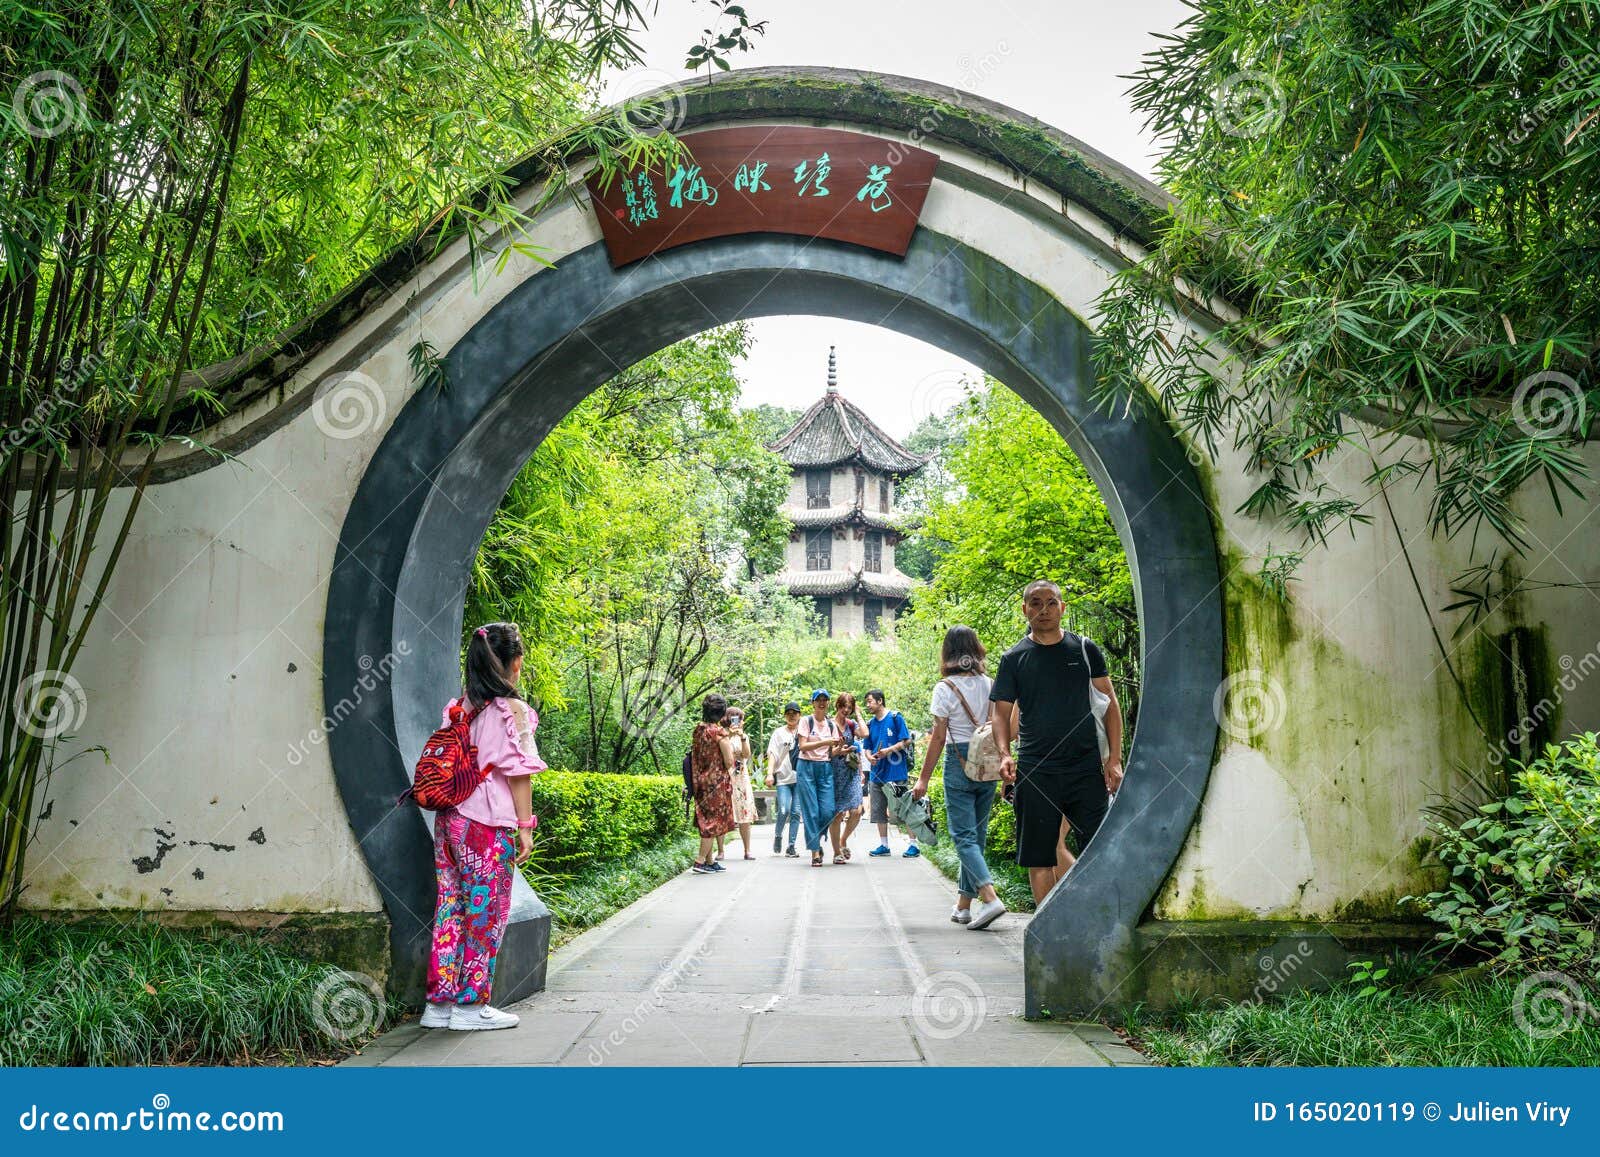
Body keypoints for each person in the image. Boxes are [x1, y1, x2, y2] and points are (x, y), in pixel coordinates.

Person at [423, 622, 546, 1031]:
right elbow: (519, 774)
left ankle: (438, 1005)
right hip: (486, 826)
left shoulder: (457, 708)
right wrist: (525, 826)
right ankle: (471, 1007)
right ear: (512, 663)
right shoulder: (513, 712)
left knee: (450, 908)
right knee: (486, 912)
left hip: (449, 821)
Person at [991, 580, 1124, 906]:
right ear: (1025, 610)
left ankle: (1095, 924)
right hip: (1036, 770)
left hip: (1085, 767)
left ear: (1063, 608)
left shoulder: (1084, 649)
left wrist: (1114, 760)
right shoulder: (1014, 659)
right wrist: (1005, 754)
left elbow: (1111, 704)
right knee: (1040, 858)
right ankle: (1047, 934)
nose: (1044, 610)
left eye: (1051, 603)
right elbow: (1000, 713)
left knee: (1099, 851)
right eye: (1035, 603)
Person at [913, 626, 1005, 929]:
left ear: (948, 652)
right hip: (988, 760)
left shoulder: (945, 688)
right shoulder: (990, 683)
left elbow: (938, 738)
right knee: (975, 837)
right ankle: (964, 906)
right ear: (976, 649)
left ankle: (989, 897)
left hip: (959, 760)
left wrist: (923, 779)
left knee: (963, 836)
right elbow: (997, 726)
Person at [864, 689, 918, 858]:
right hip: (877, 773)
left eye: (870, 701)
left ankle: (913, 845)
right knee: (879, 810)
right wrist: (869, 757)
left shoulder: (895, 718)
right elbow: (867, 746)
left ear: (880, 701)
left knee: (905, 809)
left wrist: (889, 750)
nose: (868, 705)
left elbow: (907, 740)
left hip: (896, 772)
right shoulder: (870, 724)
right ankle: (884, 845)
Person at [689, 694, 736, 874]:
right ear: (722, 712)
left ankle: (709, 861)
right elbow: (729, 761)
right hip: (716, 783)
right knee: (711, 822)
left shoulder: (699, 729)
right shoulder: (719, 733)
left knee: (705, 818)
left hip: (700, 780)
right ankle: (700, 861)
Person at [794, 689, 841, 867]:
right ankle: (815, 851)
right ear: (813, 703)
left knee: (828, 811)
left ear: (828, 703)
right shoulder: (806, 721)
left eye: (825, 700)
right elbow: (803, 746)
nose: (822, 703)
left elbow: (832, 751)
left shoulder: (831, 725)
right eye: (818, 700)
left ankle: (817, 838)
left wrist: (841, 749)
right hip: (806, 767)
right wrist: (825, 742)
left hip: (825, 768)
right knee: (811, 812)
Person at [827, 691, 866, 863]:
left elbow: (865, 734)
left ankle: (843, 840)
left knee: (857, 810)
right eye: (843, 706)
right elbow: (823, 752)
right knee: (837, 814)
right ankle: (837, 852)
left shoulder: (851, 724)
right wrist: (837, 751)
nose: (846, 710)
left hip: (851, 772)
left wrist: (858, 713)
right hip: (834, 771)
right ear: (837, 706)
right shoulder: (828, 725)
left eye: (849, 707)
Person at [765, 701, 803, 856]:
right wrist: (769, 774)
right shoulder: (778, 733)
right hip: (782, 778)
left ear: (800, 715)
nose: (792, 715)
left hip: (800, 779)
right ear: (785, 715)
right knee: (783, 809)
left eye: (795, 713)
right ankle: (778, 835)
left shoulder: (804, 732)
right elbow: (772, 754)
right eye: (789, 713)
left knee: (796, 812)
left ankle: (791, 846)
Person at [722, 706, 758, 859]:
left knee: (745, 814)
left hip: (741, 777)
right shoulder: (722, 734)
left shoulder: (743, 736)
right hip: (726, 776)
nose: (740, 722)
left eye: (740, 719)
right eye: (737, 719)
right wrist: (729, 734)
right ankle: (721, 851)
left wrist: (742, 736)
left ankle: (747, 850)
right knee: (723, 814)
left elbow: (746, 754)